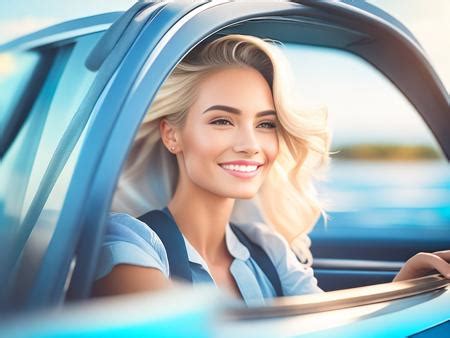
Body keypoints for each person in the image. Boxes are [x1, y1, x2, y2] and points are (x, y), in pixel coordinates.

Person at [91, 34, 450, 304]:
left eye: (266, 124)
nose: (251, 144)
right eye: (222, 121)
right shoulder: (128, 241)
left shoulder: (269, 249)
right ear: (172, 135)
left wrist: (405, 286)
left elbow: (326, 328)